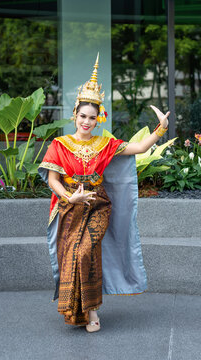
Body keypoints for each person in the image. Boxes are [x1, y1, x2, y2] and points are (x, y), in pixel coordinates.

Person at [38, 54, 170, 333]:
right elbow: (52, 179)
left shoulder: (105, 143)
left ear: (99, 119)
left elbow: (139, 148)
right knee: (71, 255)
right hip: (70, 205)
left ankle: (92, 308)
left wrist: (161, 129)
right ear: (75, 114)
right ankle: (84, 311)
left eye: (92, 117)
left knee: (86, 251)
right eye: (83, 116)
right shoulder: (60, 145)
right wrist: (69, 197)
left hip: (98, 205)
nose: (87, 121)